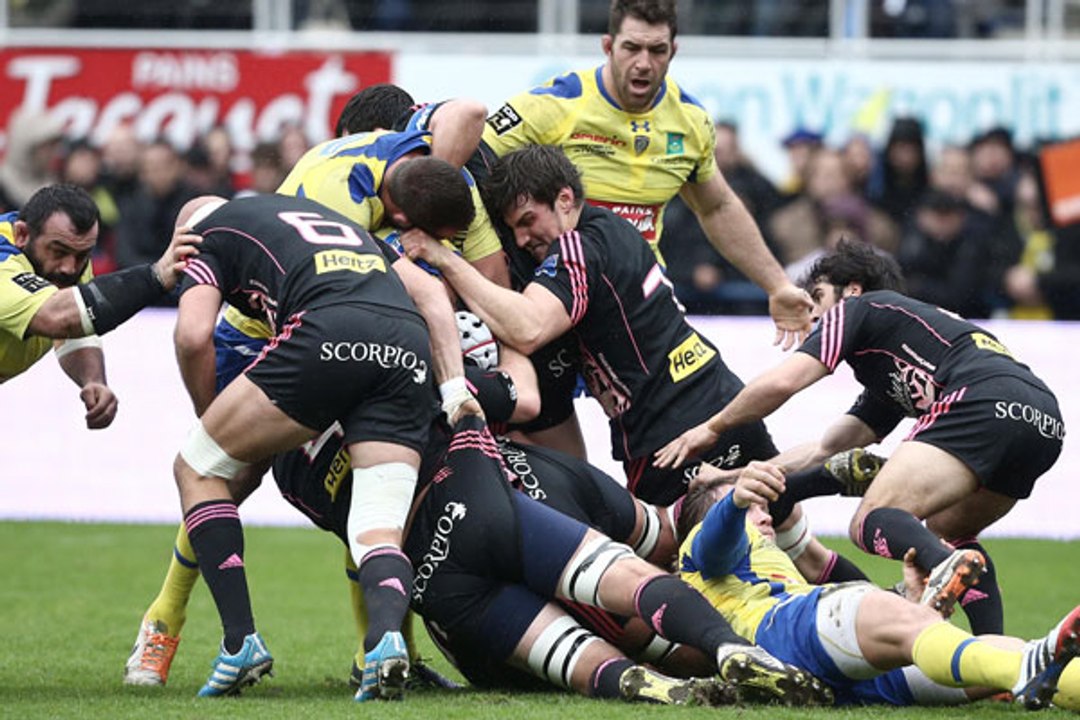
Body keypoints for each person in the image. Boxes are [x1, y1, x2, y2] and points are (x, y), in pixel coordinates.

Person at [655, 239, 1064, 637]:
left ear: (850, 290)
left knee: (870, 519)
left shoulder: (860, 307)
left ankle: (942, 567)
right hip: (1043, 420)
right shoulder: (891, 361)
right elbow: (827, 449)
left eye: (816, 295)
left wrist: (711, 429)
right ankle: (1001, 657)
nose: (811, 311)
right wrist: (734, 475)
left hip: (983, 397)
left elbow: (785, 381)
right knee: (947, 532)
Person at [162, 192, 477, 701]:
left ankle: (240, 641)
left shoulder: (209, 235)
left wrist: (210, 419)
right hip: (405, 343)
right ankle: (384, 642)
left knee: (196, 467)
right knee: (377, 528)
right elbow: (433, 296)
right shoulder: (331, 222)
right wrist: (455, 389)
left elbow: (192, 335)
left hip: (326, 332)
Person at [403, 144, 783, 507]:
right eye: (514, 228)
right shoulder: (614, 228)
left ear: (565, 200)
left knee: (668, 557)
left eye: (528, 220)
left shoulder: (577, 248)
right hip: (721, 400)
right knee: (794, 541)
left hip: (670, 434)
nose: (521, 239)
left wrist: (444, 259)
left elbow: (528, 329)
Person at [480, 0, 813, 342]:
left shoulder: (690, 121)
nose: (643, 64)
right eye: (631, 48)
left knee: (693, 390)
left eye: (657, 50)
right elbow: (475, 160)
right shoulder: (556, 104)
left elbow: (717, 207)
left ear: (673, 51)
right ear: (608, 47)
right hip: (553, 297)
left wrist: (777, 285)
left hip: (638, 302)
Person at [675, 463, 1080, 710]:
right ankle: (1018, 669)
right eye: (752, 508)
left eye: (762, 509)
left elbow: (834, 625)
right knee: (878, 611)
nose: (763, 516)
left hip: (826, 667)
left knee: (996, 661)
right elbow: (716, 540)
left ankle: (1031, 671)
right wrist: (734, 503)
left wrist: (905, 596)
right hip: (782, 633)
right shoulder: (700, 550)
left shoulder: (768, 558)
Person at [0, 183, 198, 421]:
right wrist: (155, 277)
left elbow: (75, 327)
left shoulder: (68, 257)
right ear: (22, 235)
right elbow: (57, 317)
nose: (69, 267)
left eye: (82, 255)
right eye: (58, 251)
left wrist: (93, 380)